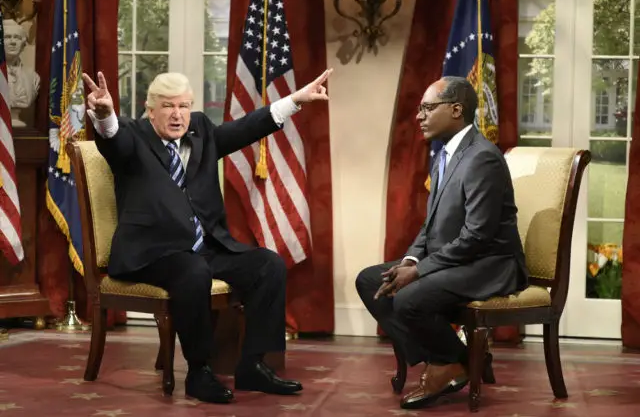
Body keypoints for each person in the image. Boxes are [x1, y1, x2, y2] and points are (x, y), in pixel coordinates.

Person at [82, 69, 331, 404]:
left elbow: (244, 129)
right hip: (151, 253)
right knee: (193, 272)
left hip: (204, 248)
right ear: (150, 109)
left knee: (267, 265)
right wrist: (104, 114)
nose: (177, 114)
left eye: (184, 106)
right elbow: (112, 139)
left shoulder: (200, 130)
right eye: (168, 106)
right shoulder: (133, 135)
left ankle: (253, 364)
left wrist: (294, 101)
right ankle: (199, 371)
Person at [355, 76, 529, 410]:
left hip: (491, 263)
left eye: (427, 108)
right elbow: (431, 224)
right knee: (369, 280)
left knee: (408, 297)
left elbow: (478, 235)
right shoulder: (445, 155)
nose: (419, 116)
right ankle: (454, 359)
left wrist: (419, 272)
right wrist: (410, 261)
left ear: (456, 109)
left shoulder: (483, 158)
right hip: (460, 259)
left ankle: (447, 363)